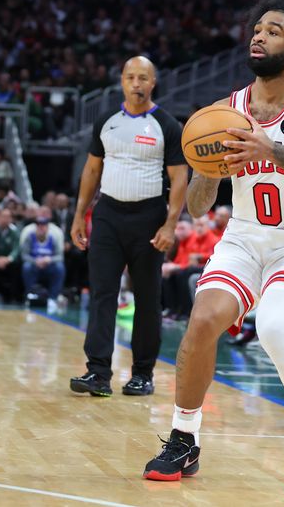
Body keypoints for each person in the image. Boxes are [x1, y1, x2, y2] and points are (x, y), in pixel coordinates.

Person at [143, 0, 284, 493]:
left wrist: (271, 149)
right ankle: (184, 440)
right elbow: (199, 207)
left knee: (276, 329)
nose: (259, 37)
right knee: (201, 320)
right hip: (242, 239)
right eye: (257, 30)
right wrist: (208, 167)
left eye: (274, 31)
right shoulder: (224, 110)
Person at [69, 56, 188, 398]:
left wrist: (170, 223)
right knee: (102, 293)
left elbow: (180, 177)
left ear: (153, 83)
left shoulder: (167, 125)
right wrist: (80, 215)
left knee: (147, 297)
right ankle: (98, 373)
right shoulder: (107, 121)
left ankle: (142, 374)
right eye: (130, 77)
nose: (136, 83)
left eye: (143, 78)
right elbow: (92, 171)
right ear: (121, 81)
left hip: (149, 217)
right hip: (107, 214)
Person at [21, 217, 65, 313]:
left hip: (49, 266)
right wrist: (35, 261)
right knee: (26, 267)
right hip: (35, 265)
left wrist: (49, 259)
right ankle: (30, 295)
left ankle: (53, 298)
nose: (41, 228)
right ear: (36, 227)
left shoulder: (53, 238)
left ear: (47, 227)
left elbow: (60, 257)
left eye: (43, 226)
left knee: (59, 267)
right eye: (39, 226)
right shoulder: (30, 237)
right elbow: (24, 255)